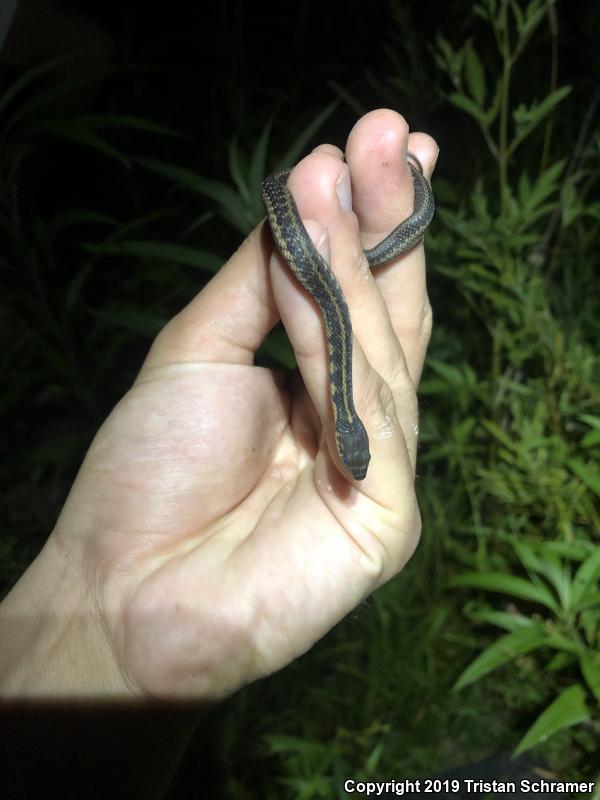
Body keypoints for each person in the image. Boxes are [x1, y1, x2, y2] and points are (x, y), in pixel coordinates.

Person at [0, 108, 438, 798]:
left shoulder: (344, 421)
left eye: (351, 462)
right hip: (303, 223)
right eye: (352, 458)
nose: (352, 471)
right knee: (324, 243)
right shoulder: (339, 394)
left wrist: (119, 663)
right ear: (340, 432)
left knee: (333, 260)